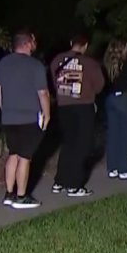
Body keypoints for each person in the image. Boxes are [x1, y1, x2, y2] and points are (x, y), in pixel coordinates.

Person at [0, 30, 50, 209]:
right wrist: (47, 113)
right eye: (33, 40)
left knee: (13, 154)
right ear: (27, 43)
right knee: (25, 157)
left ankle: (9, 193)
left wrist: (6, 111)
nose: (35, 43)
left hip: (9, 117)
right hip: (28, 117)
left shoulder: (2, 63)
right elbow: (43, 93)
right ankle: (21, 196)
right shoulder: (35, 66)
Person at [50, 34, 104, 197]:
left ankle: (60, 181)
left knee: (68, 143)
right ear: (85, 46)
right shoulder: (90, 63)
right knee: (83, 145)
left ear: (71, 43)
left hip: (64, 107)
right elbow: (99, 85)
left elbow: (54, 81)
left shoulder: (57, 60)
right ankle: (74, 184)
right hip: (83, 106)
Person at [103, 39, 127, 180]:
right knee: (124, 134)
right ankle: (123, 168)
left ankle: (112, 167)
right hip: (123, 98)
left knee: (113, 133)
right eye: (125, 47)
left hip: (110, 98)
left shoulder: (106, 64)